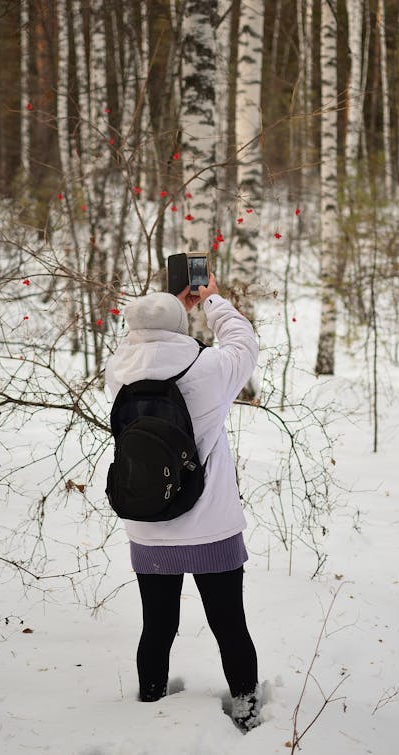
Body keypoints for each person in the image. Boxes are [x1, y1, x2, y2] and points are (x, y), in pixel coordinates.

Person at [105, 274, 262, 732]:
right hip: (210, 523)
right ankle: (247, 709)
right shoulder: (210, 368)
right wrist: (209, 298)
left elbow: (147, 335)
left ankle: (151, 702)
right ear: (182, 324)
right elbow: (243, 340)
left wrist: (163, 309)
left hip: (148, 523)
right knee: (229, 624)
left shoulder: (119, 370)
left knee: (157, 626)